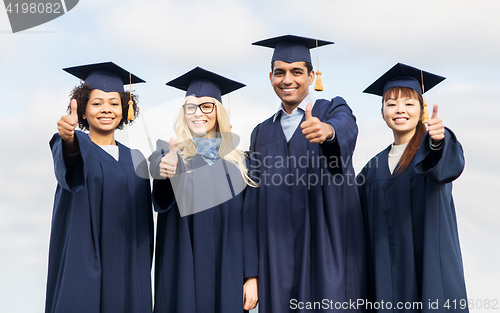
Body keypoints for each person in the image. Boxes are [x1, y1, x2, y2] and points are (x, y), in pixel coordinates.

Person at [250, 35, 367, 312]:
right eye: (280, 72)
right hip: (276, 258)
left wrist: (327, 132)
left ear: (312, 75)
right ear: (270, 78)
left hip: (324, 248)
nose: (287, 79)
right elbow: (251, 198)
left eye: (296, 72)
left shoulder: (331, 110)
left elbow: (345, 127)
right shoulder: (261, 132)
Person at [359, 63, 468, 312]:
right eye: (391, 103)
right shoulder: (372, 168)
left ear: (422, 110)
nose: (400, 110)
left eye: (409, 104)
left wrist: (440, 140)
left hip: (430, 273)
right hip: (386, 281)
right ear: (382, 111)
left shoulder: (430, 150)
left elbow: (449, 164)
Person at [149, 67, 258, 313]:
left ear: (219, 111)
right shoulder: (169, 153)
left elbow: (250, 222)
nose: (198, 113)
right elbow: (161, 188)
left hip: (228, 271)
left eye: (206, 106)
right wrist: (167, 170)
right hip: (181, 270)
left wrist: (252, 276)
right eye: (190, 107)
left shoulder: (243, 163)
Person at [46, 62, 154, 313]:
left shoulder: (137, 159)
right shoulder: (76, 146)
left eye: (114, 103)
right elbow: (71, 164)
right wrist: (69, 138)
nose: (106, 109)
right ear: (82, 111)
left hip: (129, 270)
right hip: (83, 265)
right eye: (97, 103)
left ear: (125, 109)